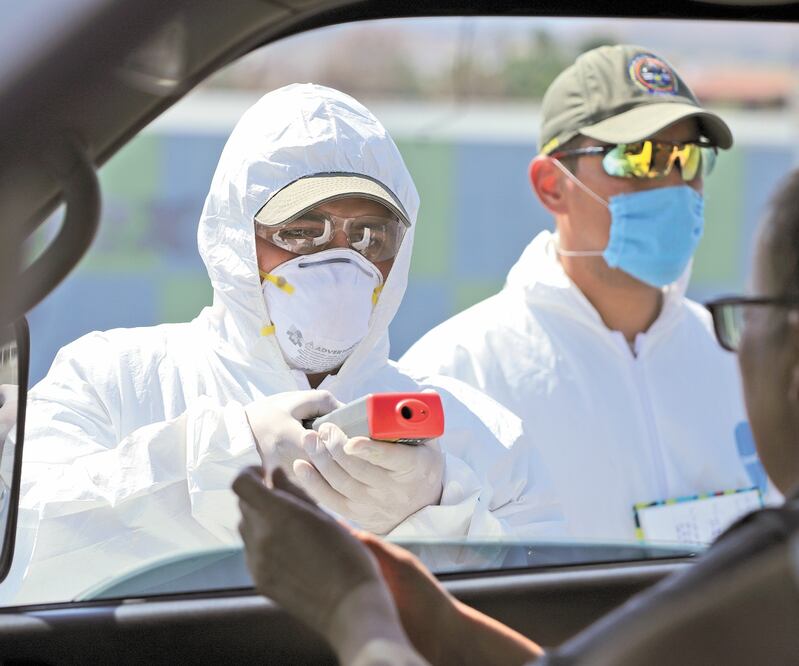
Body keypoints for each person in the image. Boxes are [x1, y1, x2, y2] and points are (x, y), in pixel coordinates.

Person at [4, 84, 562, 604]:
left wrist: (438, 518)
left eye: (371, 235)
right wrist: (225, 462)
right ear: (233, 235)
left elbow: (547, 610)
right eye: (300, 231)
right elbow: (23, 550)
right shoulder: (115, 380)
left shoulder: (479, 434)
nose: (341, 261)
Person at [233, 166, 799, 664]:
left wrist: (351, 605)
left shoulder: (774, 571)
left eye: (748, 315)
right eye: (640, 157)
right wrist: (439, 619)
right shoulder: (464, 360)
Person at [400, 44, 775, 541]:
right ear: (551, 184)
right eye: (638, 157)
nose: (674, 183)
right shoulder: (457, 374)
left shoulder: (733, 357)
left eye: (688, 158)